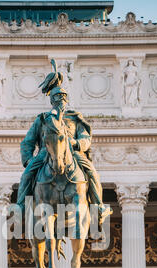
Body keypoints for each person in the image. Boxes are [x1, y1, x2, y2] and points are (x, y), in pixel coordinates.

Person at [16, 59, 108, 228]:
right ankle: (20, 206)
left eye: (64, 97)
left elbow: (86, 138)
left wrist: (77, 143)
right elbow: (27, 142)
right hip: (46, 153)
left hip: (72, 153)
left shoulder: (74, 117)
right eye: (58, 97)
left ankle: (98, 207)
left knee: (92, 173)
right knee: (28, 174)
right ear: (52, 100)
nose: (61, 100)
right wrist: (28, 160)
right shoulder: (43, 119)